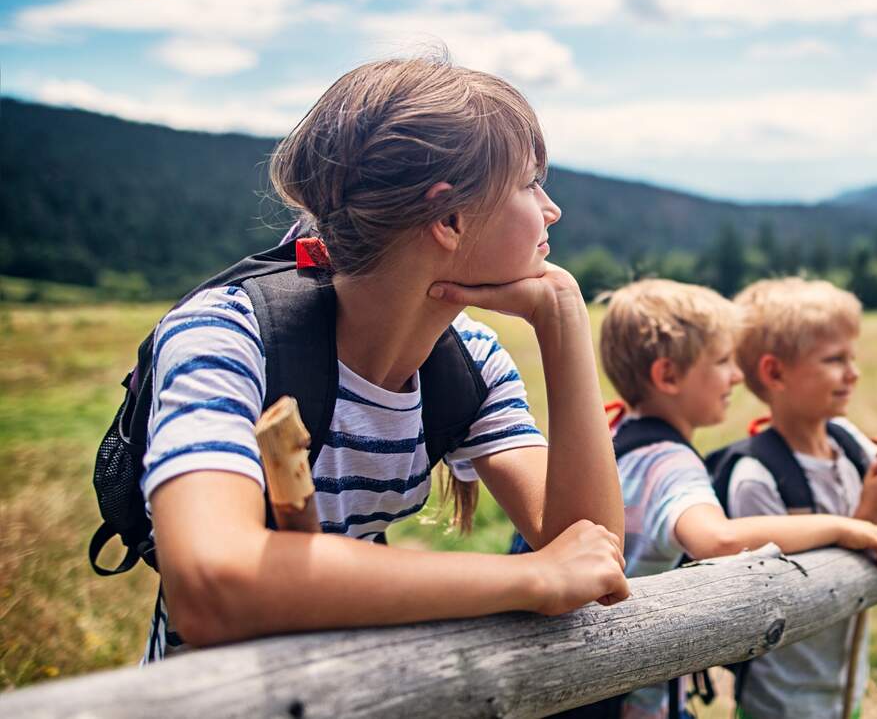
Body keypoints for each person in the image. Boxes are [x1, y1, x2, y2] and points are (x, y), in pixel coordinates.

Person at [141, 56, 628, 662]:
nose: (551, 209)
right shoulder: (227, 335)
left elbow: (591, 552)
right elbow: (212, 584)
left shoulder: (470, 362)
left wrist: (562, 319)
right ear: (449, 217)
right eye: (530, 183)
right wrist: (533, 579)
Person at [595, 279, 877, 719]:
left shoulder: (613, 436)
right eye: (722, 362)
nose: (737, 375)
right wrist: (844, 526)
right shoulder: (670, 464)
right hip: (636, 704)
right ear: (668, 376)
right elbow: (714, 540)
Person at [727, 277, 877, 718]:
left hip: (845, 688)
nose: (853, 373)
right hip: (781, 701)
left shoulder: (848, 441)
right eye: (834, 359)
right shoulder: (757, 478)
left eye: (853, 357)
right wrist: (870, 517)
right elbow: (785, 598)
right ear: (774, 372)